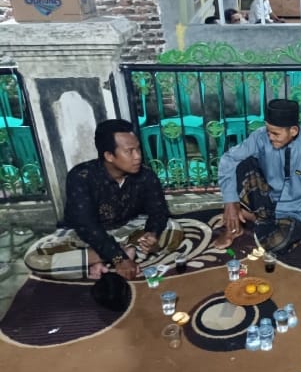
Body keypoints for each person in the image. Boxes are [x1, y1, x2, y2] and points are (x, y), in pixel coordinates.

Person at [24, 119, 184, 281]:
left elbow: (158, 211)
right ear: (109, 156)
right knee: (34, 259)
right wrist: (118, 257)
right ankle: (120, 254)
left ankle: (97, 262)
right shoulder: (81, 176)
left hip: (127, 229)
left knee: (173, 229)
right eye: (129, 151)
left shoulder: (146, 175)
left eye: (138, 149)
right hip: (83, 237)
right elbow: (86, 227)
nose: (138, 156)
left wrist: (152, 234)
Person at [216, 99, 301, 252]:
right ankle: (238, 223)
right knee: (243, 163)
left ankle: (250, 218)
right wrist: (230, 202)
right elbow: (228, 160)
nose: (270, 137)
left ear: (293, 131)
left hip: (295, 211)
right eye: (268, 131)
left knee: (277, 242)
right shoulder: (260, 137)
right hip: (265, 201)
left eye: (275, 133)